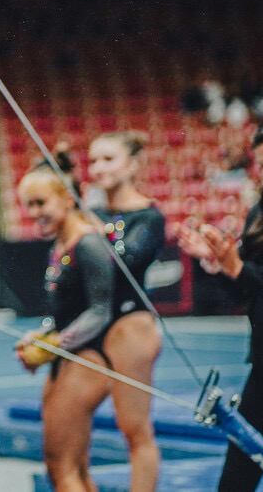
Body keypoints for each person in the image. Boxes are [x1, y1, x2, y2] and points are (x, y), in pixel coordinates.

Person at [178, 122, 263, 491]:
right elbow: (244, 293)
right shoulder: (260, 215)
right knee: (236, 478)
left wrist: (238, 268)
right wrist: (219, 266)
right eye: (262, 165)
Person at [15, 153, 116, 492]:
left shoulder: (88, 243)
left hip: (87, 360)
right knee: (75, 468)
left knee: (61, 468)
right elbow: (65, 313)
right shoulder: (60, 244)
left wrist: (57, 343)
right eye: (28, 205)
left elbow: (101, 310)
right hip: (69, 356)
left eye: (41, 203)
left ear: (67, 198)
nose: (34, 214)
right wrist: (41, 336)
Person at [86, 131, 163, 490]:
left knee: (134, 428)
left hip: (130, 325)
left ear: (132, 165)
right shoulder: (90, 212)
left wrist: (93, 231)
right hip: (90, 324)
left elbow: (127, 262)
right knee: (69, 424)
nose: (98, 168)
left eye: (108, 159)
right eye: (93, 160)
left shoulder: (148, 217)